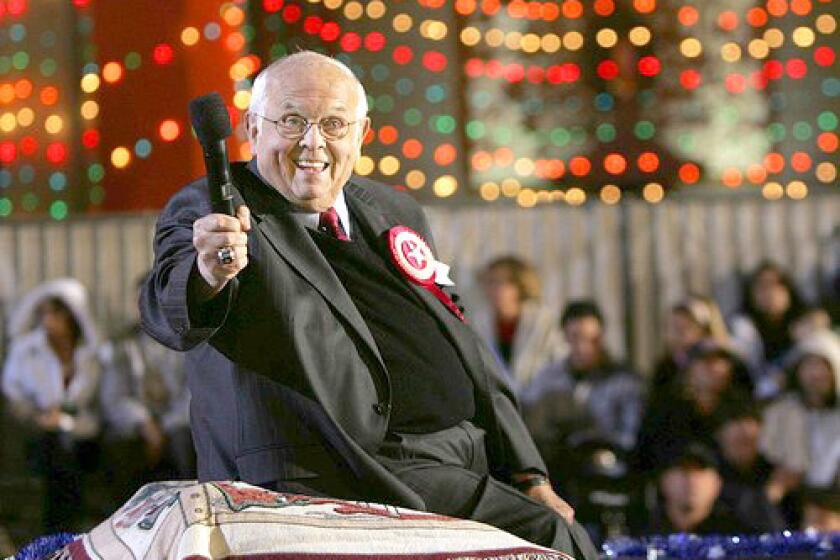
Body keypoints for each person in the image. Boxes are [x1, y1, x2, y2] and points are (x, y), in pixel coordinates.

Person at [140, 51, 596, 557]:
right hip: (340, 468)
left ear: (361, 134)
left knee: (554, 516)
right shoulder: (215, 206)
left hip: (461, 456)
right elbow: (169, 311)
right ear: (253, 126)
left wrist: (528, 472)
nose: (312, 142)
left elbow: (465, 345)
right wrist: (210, 272)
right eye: (291, 120)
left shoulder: (393, 209)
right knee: (553, 538)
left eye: (333, 124)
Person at [1, 278, 102, 533]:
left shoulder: (88, 353)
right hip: (36, 428)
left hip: (83, 428)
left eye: (55, 312)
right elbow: (13, 393)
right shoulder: (27, 351)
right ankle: (60, 529)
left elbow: (93, 396)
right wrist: (40, 416)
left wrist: (68, 416)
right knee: (56, 451)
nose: (49, 319)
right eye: (44, 313)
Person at [100, 276, 194, 501]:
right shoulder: (123, 344)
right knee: (121, 446)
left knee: (186, 443)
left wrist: (165, 426)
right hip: (139, 426)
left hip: (177, 424)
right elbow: (114, 397)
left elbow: (193, 395)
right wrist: (145, 423)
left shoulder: (188, 342)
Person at [522, 301, 643, 454]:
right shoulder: (548, 377)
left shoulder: (625, 381)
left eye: (592, 340)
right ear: (565, 337)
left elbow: (630, 437)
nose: (583, 347)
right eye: (575, 338)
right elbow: (527, 417)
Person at [634, 342, 752, 473]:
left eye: (723, 362)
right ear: (690, 369)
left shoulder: (740, 410)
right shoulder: (666, 409)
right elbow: (644, 456)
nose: (716, 369)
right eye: (708, 363)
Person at [760, 330, 840, 507]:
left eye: (823, 366)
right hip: (791, 503)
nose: (816, 374)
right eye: (809, 365)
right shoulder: (781, 411)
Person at [473, 256, 565, 389]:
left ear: (520, 286)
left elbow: (559, 363)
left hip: (538, 398)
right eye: (489, 283)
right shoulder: (480, 323)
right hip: (498, 403)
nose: (493, 289)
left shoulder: (543, 322)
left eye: (500, 283)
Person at [730, 261, 808, 398]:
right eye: (761, 287)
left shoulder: (806, 322)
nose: (769, 293)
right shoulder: (743, 328)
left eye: (775, 285)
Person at [644, 444, 752, 535]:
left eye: (700, 472)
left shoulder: (738, 536)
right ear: (663, 480)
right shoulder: (638, 532)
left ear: (717, 483)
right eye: (684, 471)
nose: (691, 480)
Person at [713, 400, 785, 533]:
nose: (745, 430)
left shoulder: (776, 474)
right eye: (736, 422)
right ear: (719, 434)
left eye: (749, 441)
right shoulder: (708, 474)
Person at [650, 296, 729, 403]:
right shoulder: (665, 368)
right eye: (670, 329)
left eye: (682, 330)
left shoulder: (722, 363)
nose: (673, 337)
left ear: (704, 332)